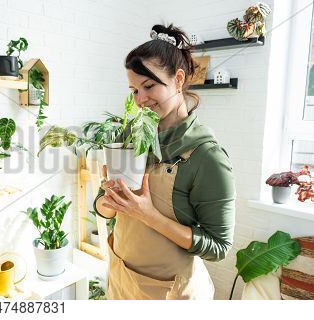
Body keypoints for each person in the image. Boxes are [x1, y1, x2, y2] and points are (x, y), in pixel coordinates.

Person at [93, 24, 236, 300]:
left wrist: (148, 215)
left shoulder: (207, 156)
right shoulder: (130, 137)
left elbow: (218, 246)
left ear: (178, 79)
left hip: (171, 295)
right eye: (134, 90)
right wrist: (108, 200)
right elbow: (102, 207)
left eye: (148, 85)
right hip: (121, 281)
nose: (140, 99)